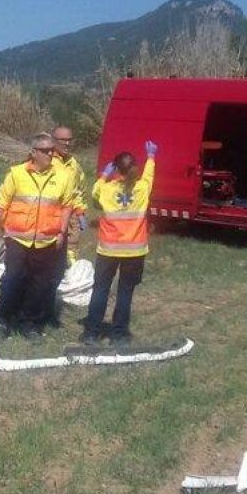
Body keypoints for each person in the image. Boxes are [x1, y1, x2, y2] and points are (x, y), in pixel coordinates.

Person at [0, 133, 73, 341]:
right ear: (33, 153)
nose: (51, 154)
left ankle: (30, 323)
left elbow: (67, 205)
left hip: (47, 240)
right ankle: (2, 319)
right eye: (45, 151)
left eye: (52, 150)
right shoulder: (16, 174)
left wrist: (62, 231)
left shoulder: (63, 176)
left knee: (40, 283)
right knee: (13, 278)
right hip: (18, 239)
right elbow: (1, 202)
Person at [80, 140, 157, 346]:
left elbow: (95, 192)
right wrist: (151, 157)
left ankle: (91, 333)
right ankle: (120, 335)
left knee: (101, 289)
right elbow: (149, 177)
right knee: (125, 292)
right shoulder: (141, 188)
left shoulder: (105, 189)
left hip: (108, 250)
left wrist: (105, 174)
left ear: (115, 169)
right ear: (134, 168)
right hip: (135, 251)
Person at [50, 126, 87, 267]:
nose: (67, 143)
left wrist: (80, 211)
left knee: (71, 247)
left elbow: (79, 190)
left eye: (69, 140)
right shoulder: (47, 161)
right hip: (51, 212)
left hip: (71, 213)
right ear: (54, 141)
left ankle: (69, 272)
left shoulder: (74, 164)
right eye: (63, 140)